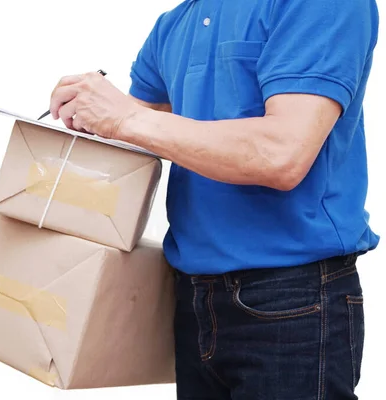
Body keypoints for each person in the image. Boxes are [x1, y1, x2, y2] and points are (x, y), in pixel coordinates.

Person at [47, 0, 380, 398]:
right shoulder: (176, 22)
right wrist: (86, 111)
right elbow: (140, 136)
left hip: (292, 297)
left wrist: (125, 118)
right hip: (191, 295)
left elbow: (282, 155)